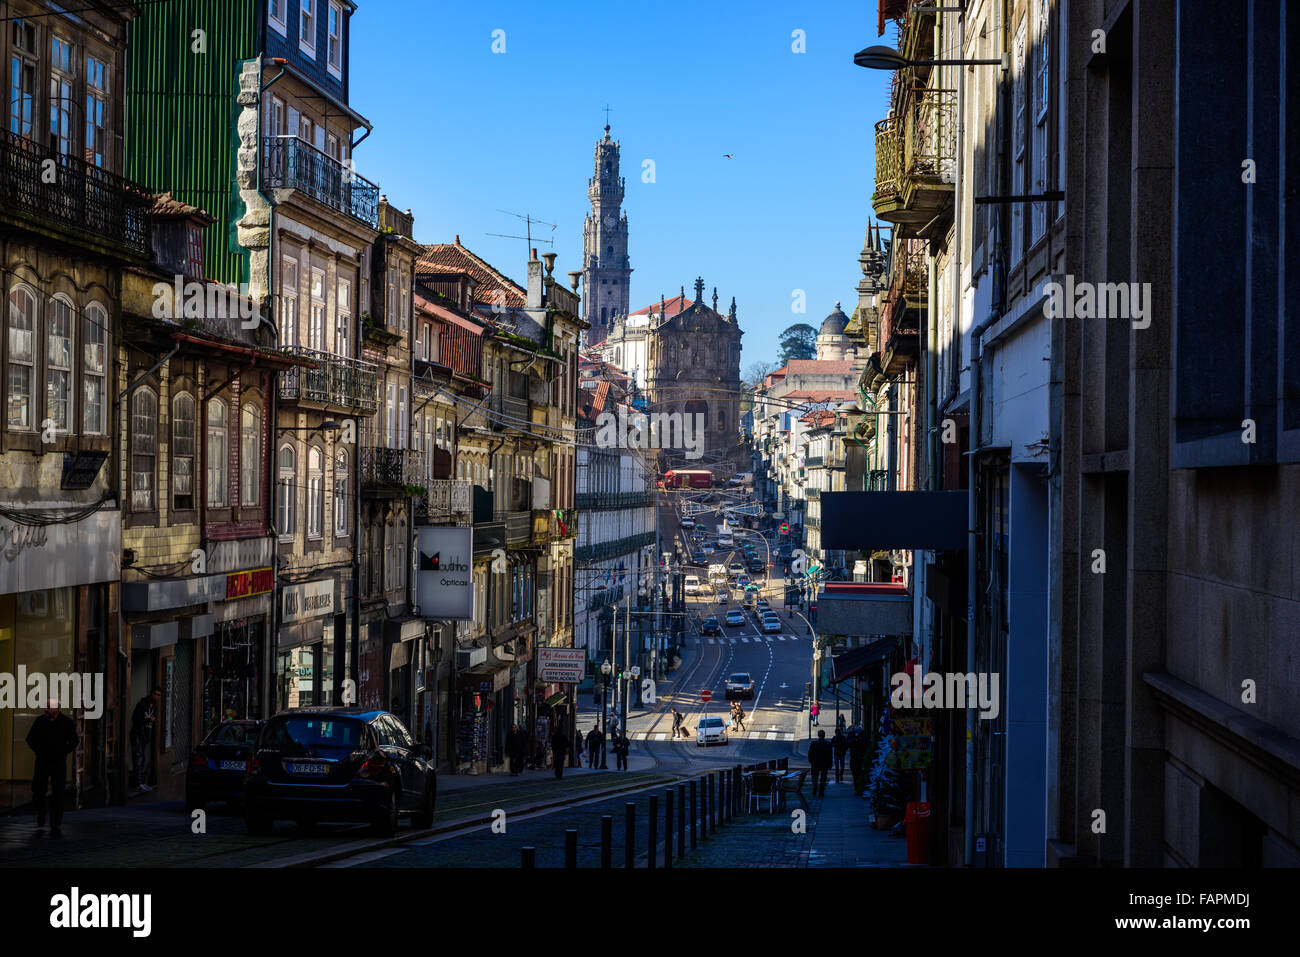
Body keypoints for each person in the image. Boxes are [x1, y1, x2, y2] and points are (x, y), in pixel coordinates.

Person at [26, 698, 77, 836]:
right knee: (38, 790)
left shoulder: (66, 723)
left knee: (58, 792)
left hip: (58, 762)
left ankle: (55, 821)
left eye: (48, 707)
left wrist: (63, 751)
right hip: (42, 760)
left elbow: (74, 741)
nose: (45, 709)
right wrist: (39, 750)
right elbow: (30, 739)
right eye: (45, 706)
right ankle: (41, 814)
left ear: (56, 708)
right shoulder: (40, 721)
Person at [130, 686, 161, 792]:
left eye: (158, 695)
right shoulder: (142, 704)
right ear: (151, 694)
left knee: (142, 759)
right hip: (138, 734)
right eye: (155, 694)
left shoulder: (154, 706)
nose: (156, 696)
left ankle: (141, 782)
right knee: (138, 758)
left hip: (145, 735)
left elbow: (154, 719)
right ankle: (138, 783)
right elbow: (135, 719)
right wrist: (147, 719)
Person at [808, 729, 833, 797]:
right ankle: (821, 791)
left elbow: (810, 754)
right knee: (823, 778)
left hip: (815, 763)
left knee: (815, 777)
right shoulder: (828, 744)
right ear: (824, 736)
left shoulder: (814, 743)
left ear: (818, 735)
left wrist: (811, 761)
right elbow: (830, 755)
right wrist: (830, 764)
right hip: (824, 764)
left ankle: (815, 789)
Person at [847, 725, 869, 796]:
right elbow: (848, 743)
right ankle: (857, 788)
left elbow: (866, 744)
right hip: (855, 757)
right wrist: (856, 740)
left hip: (860, 757)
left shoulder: (863, 735)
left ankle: (860, 788)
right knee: (855, 774)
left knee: (860, 774)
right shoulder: (852, 735)